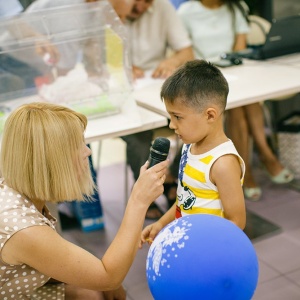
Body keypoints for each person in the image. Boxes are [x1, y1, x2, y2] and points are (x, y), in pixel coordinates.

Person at [0, 102, 169, 300]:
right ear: (52, 158)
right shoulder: (23, 229)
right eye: (78, 145)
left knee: (90, 292)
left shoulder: (13, 190)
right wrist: (139, 200)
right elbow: (109, 277)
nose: (87, 152)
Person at [177, 0, 294, 201]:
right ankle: (262, 160)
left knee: (248, 99)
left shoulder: (236, 6)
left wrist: (232, 67)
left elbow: (240, 47)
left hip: (235, 69)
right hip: (206, 76)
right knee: (239, 105)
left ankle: (250, 167)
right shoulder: (186, 12)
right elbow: (187, 53)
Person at [139, 60, 246, 247]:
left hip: (208, 250)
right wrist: (162, 224)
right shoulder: (189, 147)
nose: (172, 125)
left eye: (178, 117)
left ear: (210, 115)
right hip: (189, 241)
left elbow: (236, 222)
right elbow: (185, 199)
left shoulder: (222, 163)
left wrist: (200, 247)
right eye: (170, 117)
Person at [122, 0, 194, 219]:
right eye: (137, 2)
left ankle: (174, 177)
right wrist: (120, 67)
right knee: (138, 134)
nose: (142, 7)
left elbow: (186, 52)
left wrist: (172, 61)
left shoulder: (163, 7)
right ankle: (145, 193)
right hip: (124, 96)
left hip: (155, 90)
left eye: (148, 2)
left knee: (196, 121)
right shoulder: (109, 9)